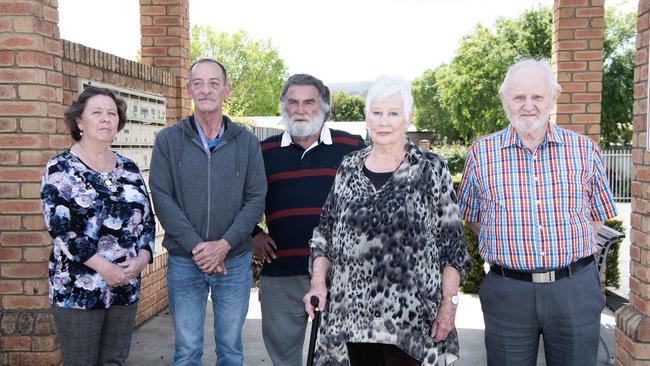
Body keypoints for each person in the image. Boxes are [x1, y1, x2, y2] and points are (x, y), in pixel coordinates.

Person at [458, 59, 618, 366]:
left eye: (537, 96)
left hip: (574, 290)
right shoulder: (481, 153)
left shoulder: (584, 150)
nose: (528, 105)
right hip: (509, 294)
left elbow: (596, 215)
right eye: (519, 97)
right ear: (505, 100)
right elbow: (474, 218)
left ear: (553, 97)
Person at [303, 75, 471, 366]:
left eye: (394, 113)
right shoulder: (349, 166)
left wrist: (449, 304)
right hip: (351, 318)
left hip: (411, 322)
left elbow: (452, 245)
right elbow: (325, 233)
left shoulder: (431, 168)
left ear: (409, 119)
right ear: (366, 117)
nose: (384, 122)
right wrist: (318, 283)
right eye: (377, 113)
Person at [149, 58, 266, 366]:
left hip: (235, 261)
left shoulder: (247, 143)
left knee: (230, 349)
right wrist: (198, 248)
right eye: (198, 83)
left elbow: (256, 198)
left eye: (214, 83)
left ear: (225, 90)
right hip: (185, 262)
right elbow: (162, 197)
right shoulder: (168, 141)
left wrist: (224, 245)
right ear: (189, 89)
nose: (206, 90)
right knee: (187, 350)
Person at [252, 74, 365, 366]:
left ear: (324, 108)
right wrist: (253, 233)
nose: (300, 109)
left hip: (339, 273)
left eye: (309, 102)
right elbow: (239, 200)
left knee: (337, 358)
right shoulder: (263, 152)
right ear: (284, 107)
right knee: (283, 356)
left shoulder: (351, 146)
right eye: (293, 102)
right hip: (282, 271)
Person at [40, 86, 154, 366]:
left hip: (125, 285)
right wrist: (106, 269)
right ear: (79, 121)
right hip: (79, 288)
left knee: (114, 361)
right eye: (97, 112)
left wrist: (142, 258)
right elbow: (61, 230)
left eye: (111, 113)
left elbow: (147, 220)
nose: (106, 119)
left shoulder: (128, 168)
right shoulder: (60, 168)